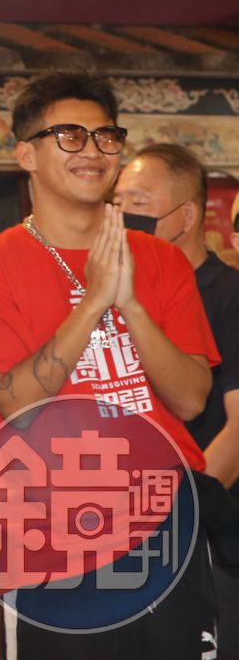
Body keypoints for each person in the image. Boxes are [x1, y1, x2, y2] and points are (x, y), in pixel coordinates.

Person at [0, 72, 218, 657]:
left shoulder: (161, 260)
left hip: (163, 519)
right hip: (52, 528)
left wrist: (131, 304)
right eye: (70, 136)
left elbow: (191, 398)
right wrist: (95, 300)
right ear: (27, 154)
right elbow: (18, 407)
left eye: (106, 136)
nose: (94, 151)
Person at [115, 142, 239, 654]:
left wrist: (183, 513)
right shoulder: (112, 289)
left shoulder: (228, 294)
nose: (122, 214)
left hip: (206, 534)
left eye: (139, 204)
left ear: (187, 217)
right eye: (116, 201)